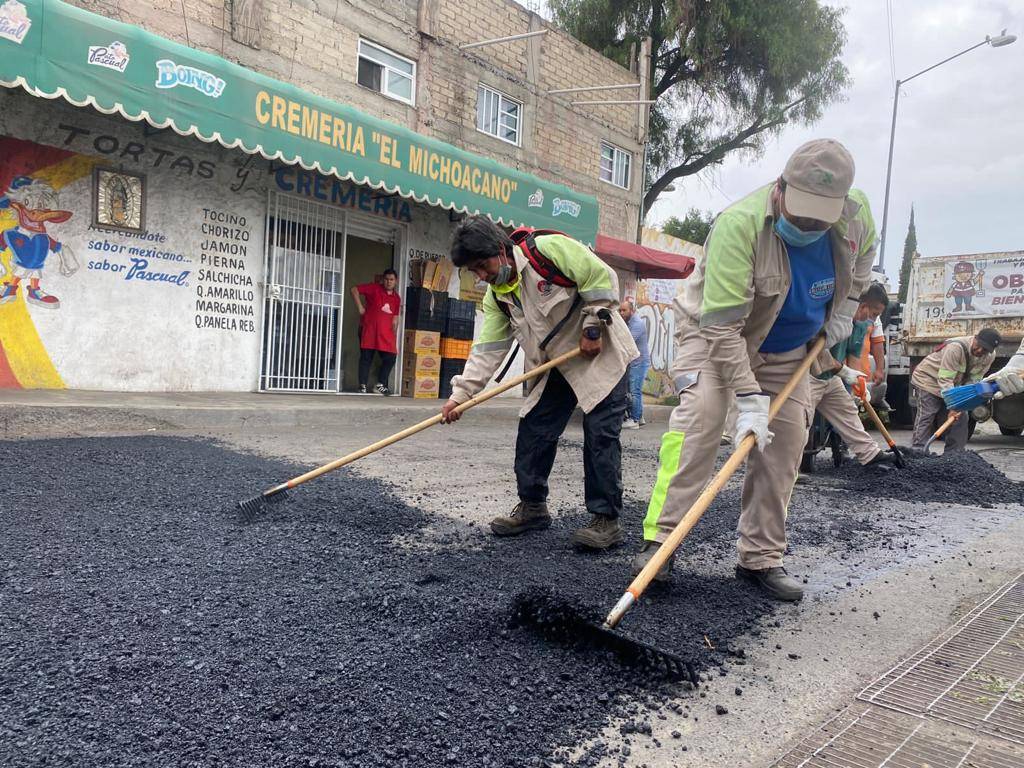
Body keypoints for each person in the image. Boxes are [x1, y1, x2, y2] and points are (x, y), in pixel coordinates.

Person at [632, 138, 877, 602]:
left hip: (790, 350)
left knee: (786, 442)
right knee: (701, 422)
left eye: (818, 220)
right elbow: (723, 329)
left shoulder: (858, 218)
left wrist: (844, 313)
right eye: (799, 215)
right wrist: (748, 399)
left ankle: (760, 558)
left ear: (841, 206)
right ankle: (661, 542)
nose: (806, 226)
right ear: (781, 188)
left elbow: (859, 274)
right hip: (714, 337)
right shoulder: (739, 225)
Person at [440, 216, 638, 550]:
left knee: (600, 434)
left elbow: (601, 277)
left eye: (483, 266)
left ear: (501, 250)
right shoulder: (498, 297)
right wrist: (460, 395)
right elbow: (488, 350)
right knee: (534, 427)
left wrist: (593, 327)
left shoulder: (547, 250)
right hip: (557, 364)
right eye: (474, 272)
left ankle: (606, 521)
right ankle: (533, 507)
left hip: (600, 352)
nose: (482, 276)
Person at [808, 283, 896, 469]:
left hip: (830, 378)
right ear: (862, 306)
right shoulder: (831, 316)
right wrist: (844, 372)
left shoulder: (860, 325)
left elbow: (854, 358)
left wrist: (858, 387)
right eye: (874, 313)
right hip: (808, 376)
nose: (873, 320)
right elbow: (816, 350)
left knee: (848, 410)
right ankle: (791, 468)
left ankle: (870, 455)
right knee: (801, 421)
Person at [910, 328, 1001, 451]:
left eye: (985, 350)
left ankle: (955, 453)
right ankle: (918, 450)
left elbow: (973, 381)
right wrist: (954, 406)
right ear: (975, 338)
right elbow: (945, 379)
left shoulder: (989, 356)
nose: (980, 350)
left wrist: (961, 404)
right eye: (979, 345)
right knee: (928, 413)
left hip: (953, 383)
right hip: (928, 380)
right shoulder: (955, 348)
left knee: (961, 417)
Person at [351, 268, 401, 395]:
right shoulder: (374, 288)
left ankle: (380, 385)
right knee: (366, 358)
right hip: (369, 330)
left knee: (391, 357)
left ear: (396, 281)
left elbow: (395, 318)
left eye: (391, 279)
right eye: (386, 279)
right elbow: (354, 290)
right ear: (383, 280)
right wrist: (360, 307)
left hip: (385, 334)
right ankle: (362, 385)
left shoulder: (396, 298)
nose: (389, 282)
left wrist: (394, 334)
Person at [619, 300, 650, 429]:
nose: (621, 313)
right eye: (620, 310)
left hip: (639, 363)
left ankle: (634, 420)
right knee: (633, 391)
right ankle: (639, 417)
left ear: (632, 311)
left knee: (634, 392)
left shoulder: (637, 324)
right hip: (635, 362)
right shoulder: (628, 322)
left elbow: (626, 343)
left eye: (624, 310)